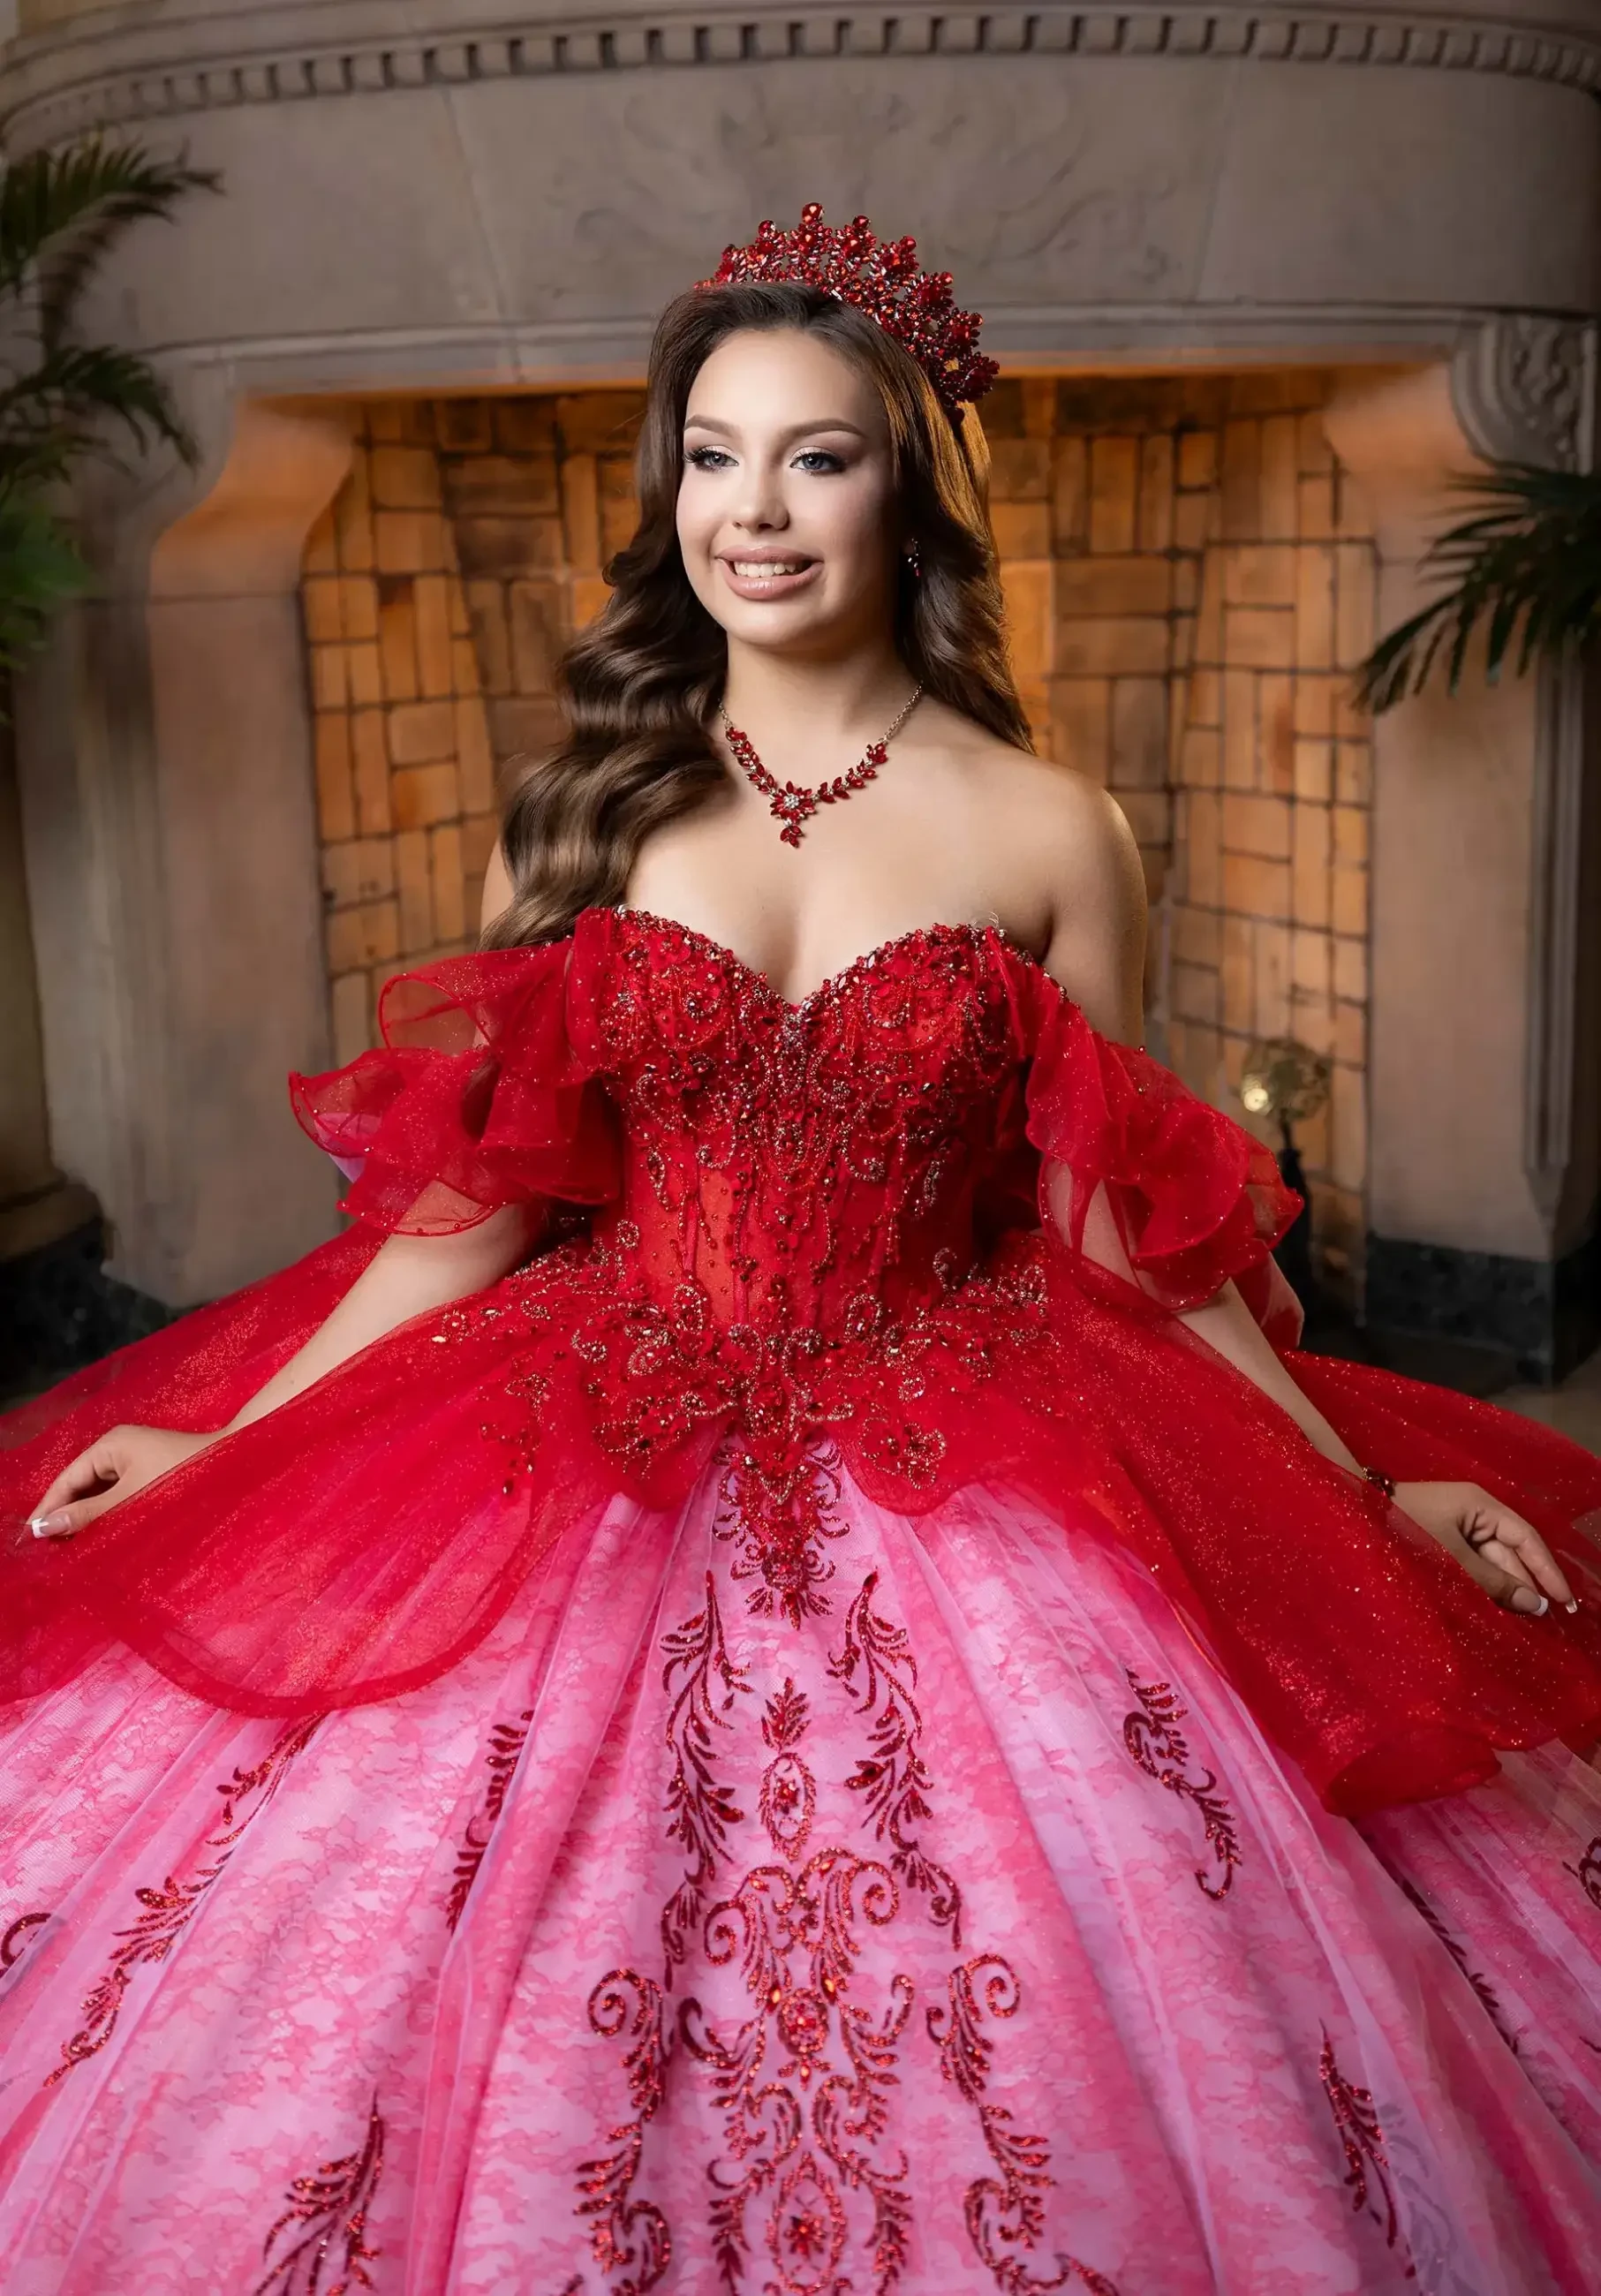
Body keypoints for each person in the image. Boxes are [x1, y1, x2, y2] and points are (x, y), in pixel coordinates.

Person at [3, 204, 1601, 2295]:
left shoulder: (1046, 830)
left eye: (818, 455)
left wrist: (1368, 1483)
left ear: (906, 492)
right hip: (593, 1412)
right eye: (711, 454)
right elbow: (461, 1222)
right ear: (667, 490)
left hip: (973, 1425)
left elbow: (1133, 1242)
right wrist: (224, 1440)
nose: (752, 510)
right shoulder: (586, 812)